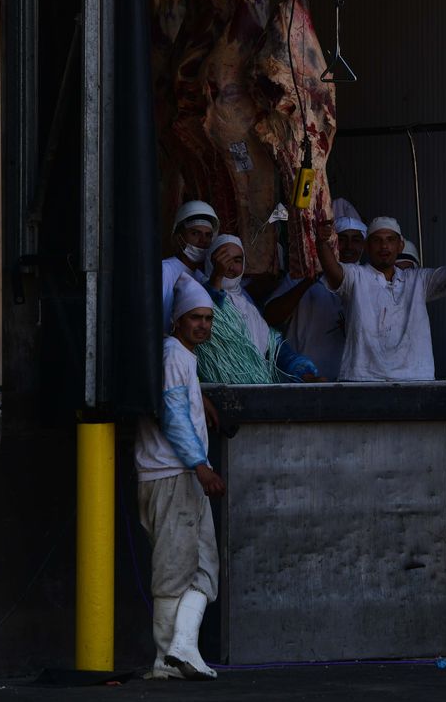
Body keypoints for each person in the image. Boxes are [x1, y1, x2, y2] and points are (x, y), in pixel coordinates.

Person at [137, 275, 225, 680]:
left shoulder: (182, 356)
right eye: (195, 318)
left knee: (203, 566)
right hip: (173, 474)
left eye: (208, 318)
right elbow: (172, 415)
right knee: (175, 570)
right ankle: (166, 661)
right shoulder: (174, 353)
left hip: (181, 475)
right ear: (178, 321)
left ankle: (181, 648)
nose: (203, 325)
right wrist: (200, 465)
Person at [316, 211, 446, 382]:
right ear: (367, 247)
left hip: (416, 378)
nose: (384, 246)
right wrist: (322, 244)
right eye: (377, 240)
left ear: (400, 245)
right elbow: (333, 272)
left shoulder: (418, 279)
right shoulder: (356, 276)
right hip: (363, 379)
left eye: (390, 240)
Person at [197, 235, 320, 383]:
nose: (229, 267)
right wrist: (216, 276)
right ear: (211, 260)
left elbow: (275, 348)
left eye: (237, 261)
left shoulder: (247, 305)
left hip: (252, 389)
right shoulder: (196, 294)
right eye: (224, 259)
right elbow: (212, 312)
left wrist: (302, 371)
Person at [262, 216, 367, 379]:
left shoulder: (369, 280)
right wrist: (308, 282)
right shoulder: (301, 277)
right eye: (342, 239)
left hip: (352, 379)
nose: (348, 247)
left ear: (364, 245)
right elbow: (270, 317)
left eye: (356, 240)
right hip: (304, 378)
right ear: (331, 242)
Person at [161, 201, 218, 333]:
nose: (203, 240)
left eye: (208, 235)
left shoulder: (203, 276)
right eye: (195, 233)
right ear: (179, 237)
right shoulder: (166, 270)